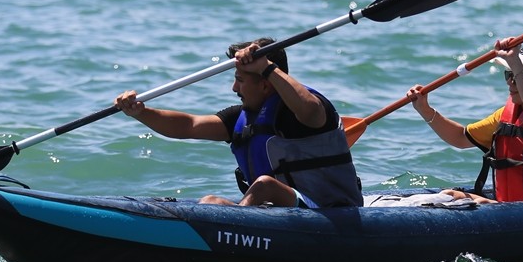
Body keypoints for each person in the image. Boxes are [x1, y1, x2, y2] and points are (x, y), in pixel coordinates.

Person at [114, 38, 362, 208]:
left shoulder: (305, 110)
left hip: (330, 212)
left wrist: (267, 67)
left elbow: (310, 110)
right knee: (211, 202)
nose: (234, 88)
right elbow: (187, 126)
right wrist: (140, 112)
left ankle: (237, 228)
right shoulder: (241, 117)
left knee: (264, 185)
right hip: (279, 216)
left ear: (265, 83)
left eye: (240, 80)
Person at [406, 41, 523, 203]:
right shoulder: (509, 114)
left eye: (518, 76)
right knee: (449, 196)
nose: (510, 82)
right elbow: (461, 138)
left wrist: (515, 62)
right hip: (512, 210)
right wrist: (425, 109)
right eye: (508, 74)